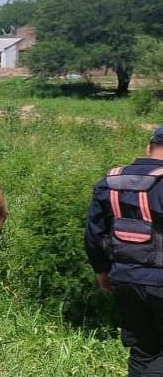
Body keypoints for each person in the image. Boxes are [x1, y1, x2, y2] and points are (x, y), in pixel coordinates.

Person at [85, 127, 163, 376]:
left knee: (143, 350)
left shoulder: (110, 181)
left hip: (124, 279)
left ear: (148, 148)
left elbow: (93, 236)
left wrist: (102, 272)